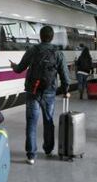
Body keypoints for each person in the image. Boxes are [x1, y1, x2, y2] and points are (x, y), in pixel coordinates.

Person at [9, 26, 70, 165]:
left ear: (40, 36)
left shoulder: (32, 50)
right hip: (49, 91)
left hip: (33, 91)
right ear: (52, 37)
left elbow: (19, 69)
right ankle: (48, 149)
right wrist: (66, 90)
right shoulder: (58, 53)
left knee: (31, 123)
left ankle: (31, 155)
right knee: (48, 121)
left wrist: (13, 66)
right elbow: (65, 76)